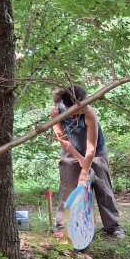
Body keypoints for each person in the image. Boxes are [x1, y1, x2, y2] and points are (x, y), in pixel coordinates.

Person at [51, 85, 124, 240]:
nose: (83, 108)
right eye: (79, 108)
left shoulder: (90, 113)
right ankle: (62, 226)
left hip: (96, 152)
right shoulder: (57, 112)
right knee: (68, 188)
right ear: (69, 107)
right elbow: (63, 140)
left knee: (103, 187)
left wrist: (85, 172)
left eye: (85, 104)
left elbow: (91, 147)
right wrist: (79, 159)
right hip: (71, 152)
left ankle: (113, 226)